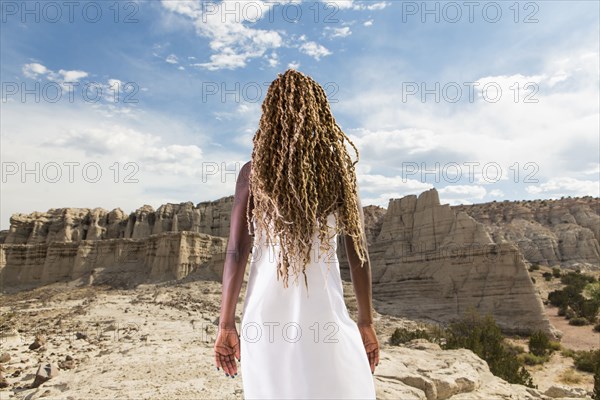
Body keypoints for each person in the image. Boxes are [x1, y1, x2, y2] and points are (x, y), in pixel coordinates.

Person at [214, 68, 379, 399]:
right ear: (320, 114)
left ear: (270, 114)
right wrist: (365, 321)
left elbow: (236, 251)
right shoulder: (340, 175)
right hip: (326, 321)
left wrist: (226, 324)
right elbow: (358, 254)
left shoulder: (254, 172)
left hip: (265, 322)